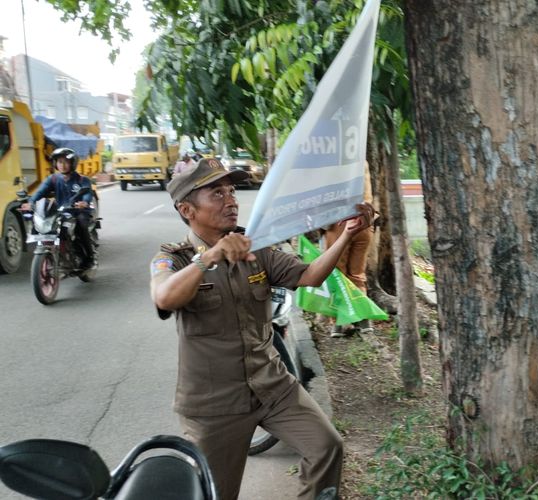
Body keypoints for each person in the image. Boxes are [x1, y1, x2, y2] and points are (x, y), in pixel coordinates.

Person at [149, 158, 375, 500]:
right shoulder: (174, 257)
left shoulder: (255, 248)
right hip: (214, 403)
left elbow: (309, 276)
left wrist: (346, 235)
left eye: (231, 190)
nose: (231, 200)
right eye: (217, 193)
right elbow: (165, 297)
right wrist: (209, 257)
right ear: (187, 209)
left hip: (273, 385)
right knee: (215, 494)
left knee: (326, 448)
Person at [21, 147, 96, 269]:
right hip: (61, 211)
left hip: (79, 212)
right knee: (43, 226)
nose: (63, 165)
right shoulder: (53, 179)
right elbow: (39, 192)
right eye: (60, 162)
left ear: (73, 163)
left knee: (81, 227)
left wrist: (84, 202)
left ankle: (89, 258)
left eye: (66, 162)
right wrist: (31, 202)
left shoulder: (82, 179)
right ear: (56, 164)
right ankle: (55, 252)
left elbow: (88, 193)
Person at [324, 163, 374, 337]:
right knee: (357, 274)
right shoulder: (361, 160)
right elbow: (367, 196)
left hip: (339, 223)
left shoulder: (331, 163)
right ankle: (363, 319)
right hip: (364, 223)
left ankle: (339, 322)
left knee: (337, 273)